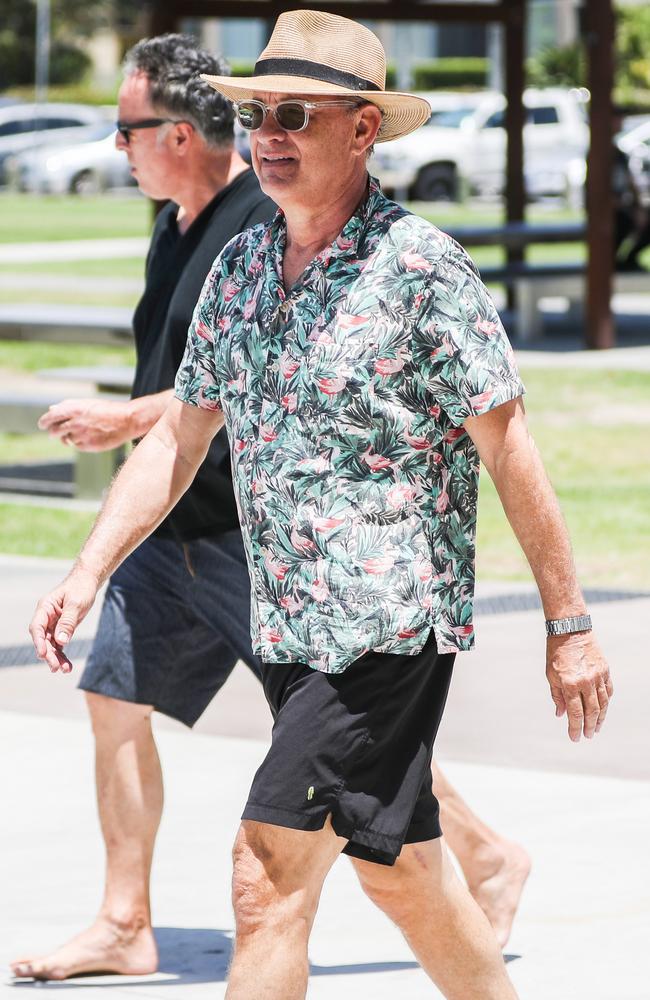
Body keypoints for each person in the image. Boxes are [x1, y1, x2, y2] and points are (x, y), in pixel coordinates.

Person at [25, 12, 612, 999]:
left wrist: (568, 625)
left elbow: (507, 448)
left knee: (264, 870)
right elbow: (179, 433)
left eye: (296, 113)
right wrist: (89, 569)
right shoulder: (241, 271)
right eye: (257, 114)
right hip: (293, 633)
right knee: (404, 874)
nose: (269, 135)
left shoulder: (422, 271)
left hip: (387, 629)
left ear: (363, 130)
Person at [10, 33, 276, 982]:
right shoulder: (173, 224)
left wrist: (126, 414)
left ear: (178, 132)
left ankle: (485, 860)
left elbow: (252, 384)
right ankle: (125, 924)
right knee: (111, 700)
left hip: (256, 536)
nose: (115, 150)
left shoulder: (259, 227)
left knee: (350, 735)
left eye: (125, 133)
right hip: (170, 529)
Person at [613, 108, 650, 271]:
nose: (621, 122)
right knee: (622, 221)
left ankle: (628, 260)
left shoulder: (617, 152)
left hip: (622, 205)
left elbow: (631, 182)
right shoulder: (599, 151)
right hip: (610, 210)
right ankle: (614, 262)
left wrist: (639, 207)